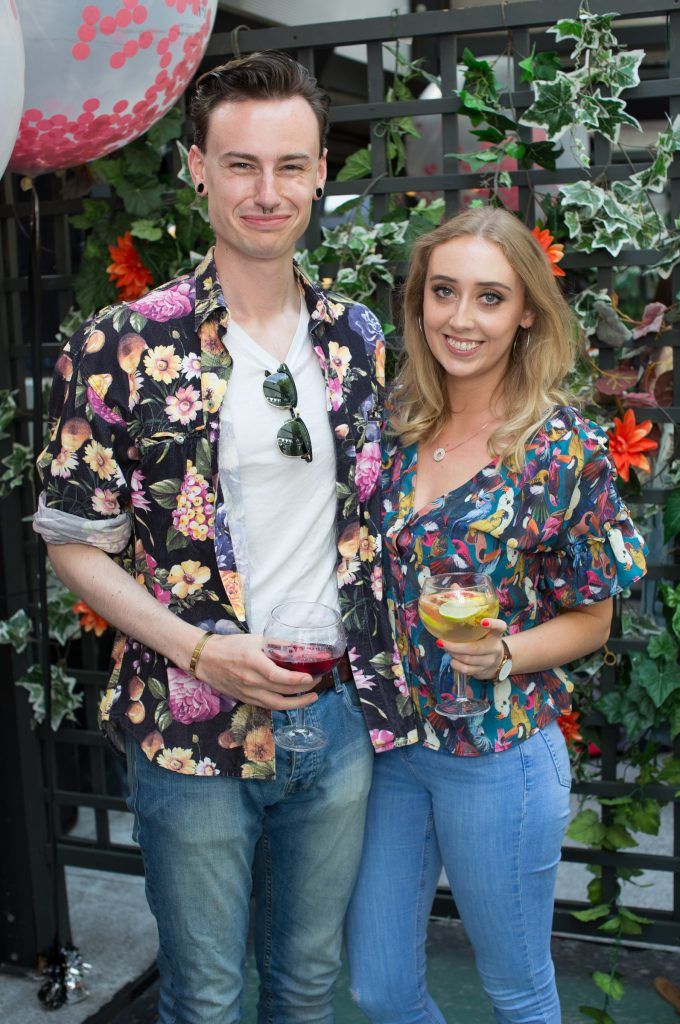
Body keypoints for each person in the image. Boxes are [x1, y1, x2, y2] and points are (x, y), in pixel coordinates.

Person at [33, 51, 413, 1024]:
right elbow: (74, 543)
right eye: (239, 164)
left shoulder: (357, 339)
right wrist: (204, 649)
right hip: (187, 729)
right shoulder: (124, 342)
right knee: (203, 999)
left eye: (289, 164)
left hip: (331, 724)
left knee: (307, 988)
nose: (266, 189)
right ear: (196, 167)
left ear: (321, 169)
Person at [345, 206, 648, 1024]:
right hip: (390, 749)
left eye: (488, 297)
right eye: (443, 292)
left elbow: (595, 619)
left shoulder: (562, 449)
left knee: (515, 989)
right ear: (418, 303)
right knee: (377, 984)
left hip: (499, 753)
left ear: (524, 314)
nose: (460, 318)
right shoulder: (389, 426)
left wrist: (508, 652)